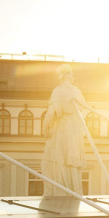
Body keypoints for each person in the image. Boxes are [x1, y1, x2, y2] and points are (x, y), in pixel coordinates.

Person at [41, 64, 86, 197]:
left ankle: (57, 194)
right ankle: (73, 192)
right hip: (75, 131)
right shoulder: (77, 91)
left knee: (53, 160)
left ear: (59, 76)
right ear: (70, 76)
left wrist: (45, 129)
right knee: (71, 164)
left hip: (62, 130)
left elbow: (50, 114)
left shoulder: (58, 91)